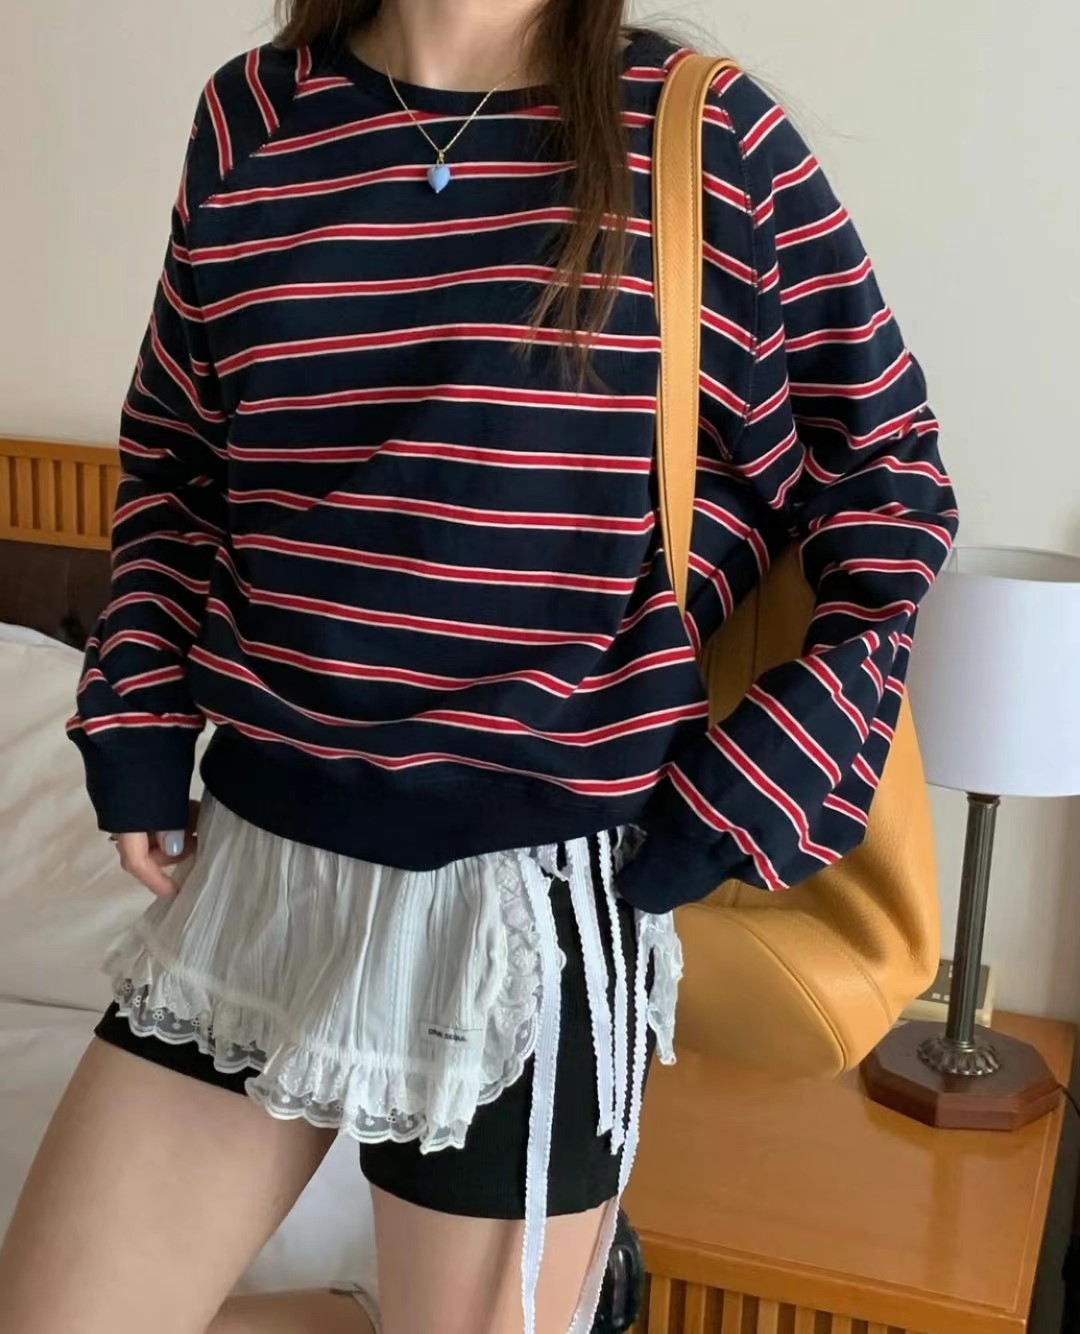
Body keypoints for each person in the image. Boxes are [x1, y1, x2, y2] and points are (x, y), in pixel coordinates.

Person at [0, 1, 958, 1331]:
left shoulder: (702, 136)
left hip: (534, 905)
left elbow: (889, 485)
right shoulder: (254, 118)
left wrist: (757, 783)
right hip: (259, 866)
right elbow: (177, 459)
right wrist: (140, 714)